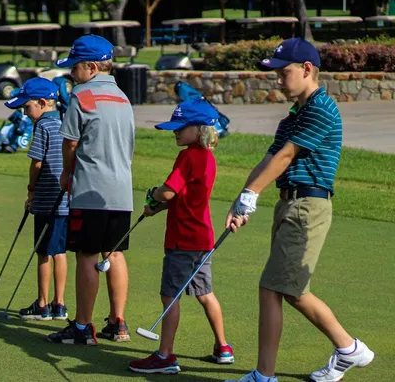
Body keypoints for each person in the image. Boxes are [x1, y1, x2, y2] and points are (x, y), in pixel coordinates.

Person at [225, 38, 374, 382]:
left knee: (274, 287)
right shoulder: (293, 116)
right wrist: (242, 200)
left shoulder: (322, 108)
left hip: (309, 205)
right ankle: (350, 349)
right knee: (289, 289)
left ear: (307, 69)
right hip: (289, 203)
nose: (278, 80)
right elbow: (268, 160)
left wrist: (251, 193)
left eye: (283, 72)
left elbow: (287, 155)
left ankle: (266, 376)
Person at [128, 99, 234, 375]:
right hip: (201, 239)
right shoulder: (208, 157)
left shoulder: (187, 156)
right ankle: (223, 347)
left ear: (199, 129)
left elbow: (168, 191)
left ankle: (165, 355)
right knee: (205, 294)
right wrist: (159, 207)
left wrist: (154, 195)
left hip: (182, 240)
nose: (175, 132)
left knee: (170, 296)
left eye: (180, 128)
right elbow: (181, 196)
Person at [46, 34, 135, 345]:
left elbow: (69, 142)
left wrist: (67, 172)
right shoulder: (124, 97)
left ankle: (83, 327)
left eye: (75, 67)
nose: (72, 73)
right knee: (116, 253)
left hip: (90, 188)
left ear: (91, 67)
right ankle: (117, 322)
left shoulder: (81, 96)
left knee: (86, 255)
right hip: (122, 191)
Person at [4, 78, 70, 321]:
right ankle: (59, 304)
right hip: (64, 200)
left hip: (45, 198)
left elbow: (37, 163)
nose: (25, 112)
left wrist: (31, 190)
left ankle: (42, 304)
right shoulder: (64, 124)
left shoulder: (42, 126)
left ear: (42, 103)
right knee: (60, 251)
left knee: (43, 252)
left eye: (27, 107)